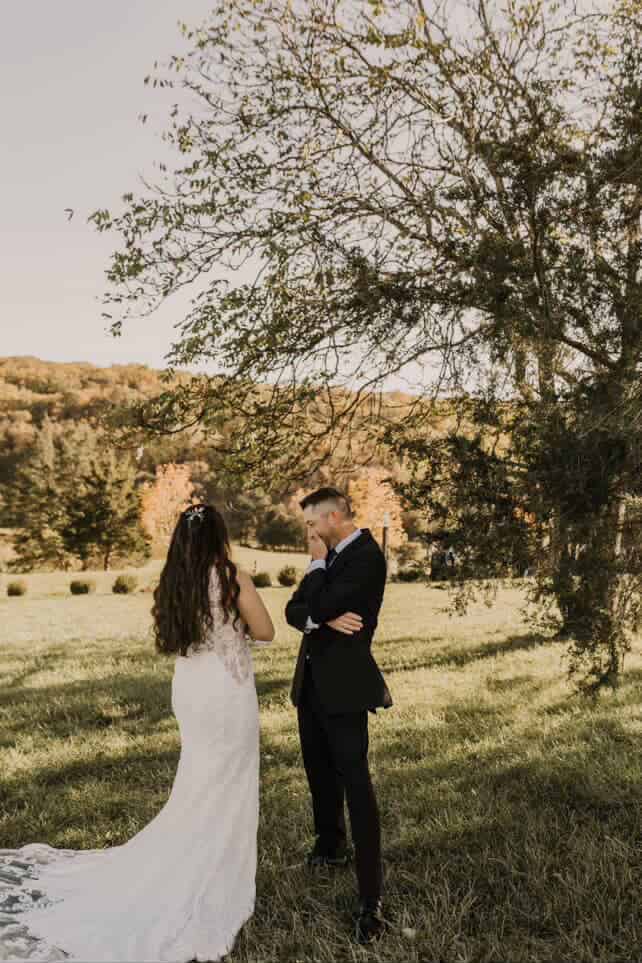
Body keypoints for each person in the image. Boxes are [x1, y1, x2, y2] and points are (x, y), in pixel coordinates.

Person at [0, 503, 274, 963]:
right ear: (218, 536)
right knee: (226, 783)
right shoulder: (230, 576)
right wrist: (238, 627)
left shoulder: (173, 579)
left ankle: (195, 857)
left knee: (199, 779)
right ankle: (212, 874)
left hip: (190, 689)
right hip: (226, 694)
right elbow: (265, 631)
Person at [285, 486, 393, 945]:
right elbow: (294, 612)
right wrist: (322, 616)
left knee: (356, 784)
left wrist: (314, 578)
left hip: (346, 689)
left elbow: (318, 604)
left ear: (332, 518)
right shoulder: (329, 560)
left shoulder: (367, 557)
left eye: (312, 524)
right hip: (310, 687)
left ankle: (371, 898)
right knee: (318, 774)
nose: (308, 534)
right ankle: (330, 847)